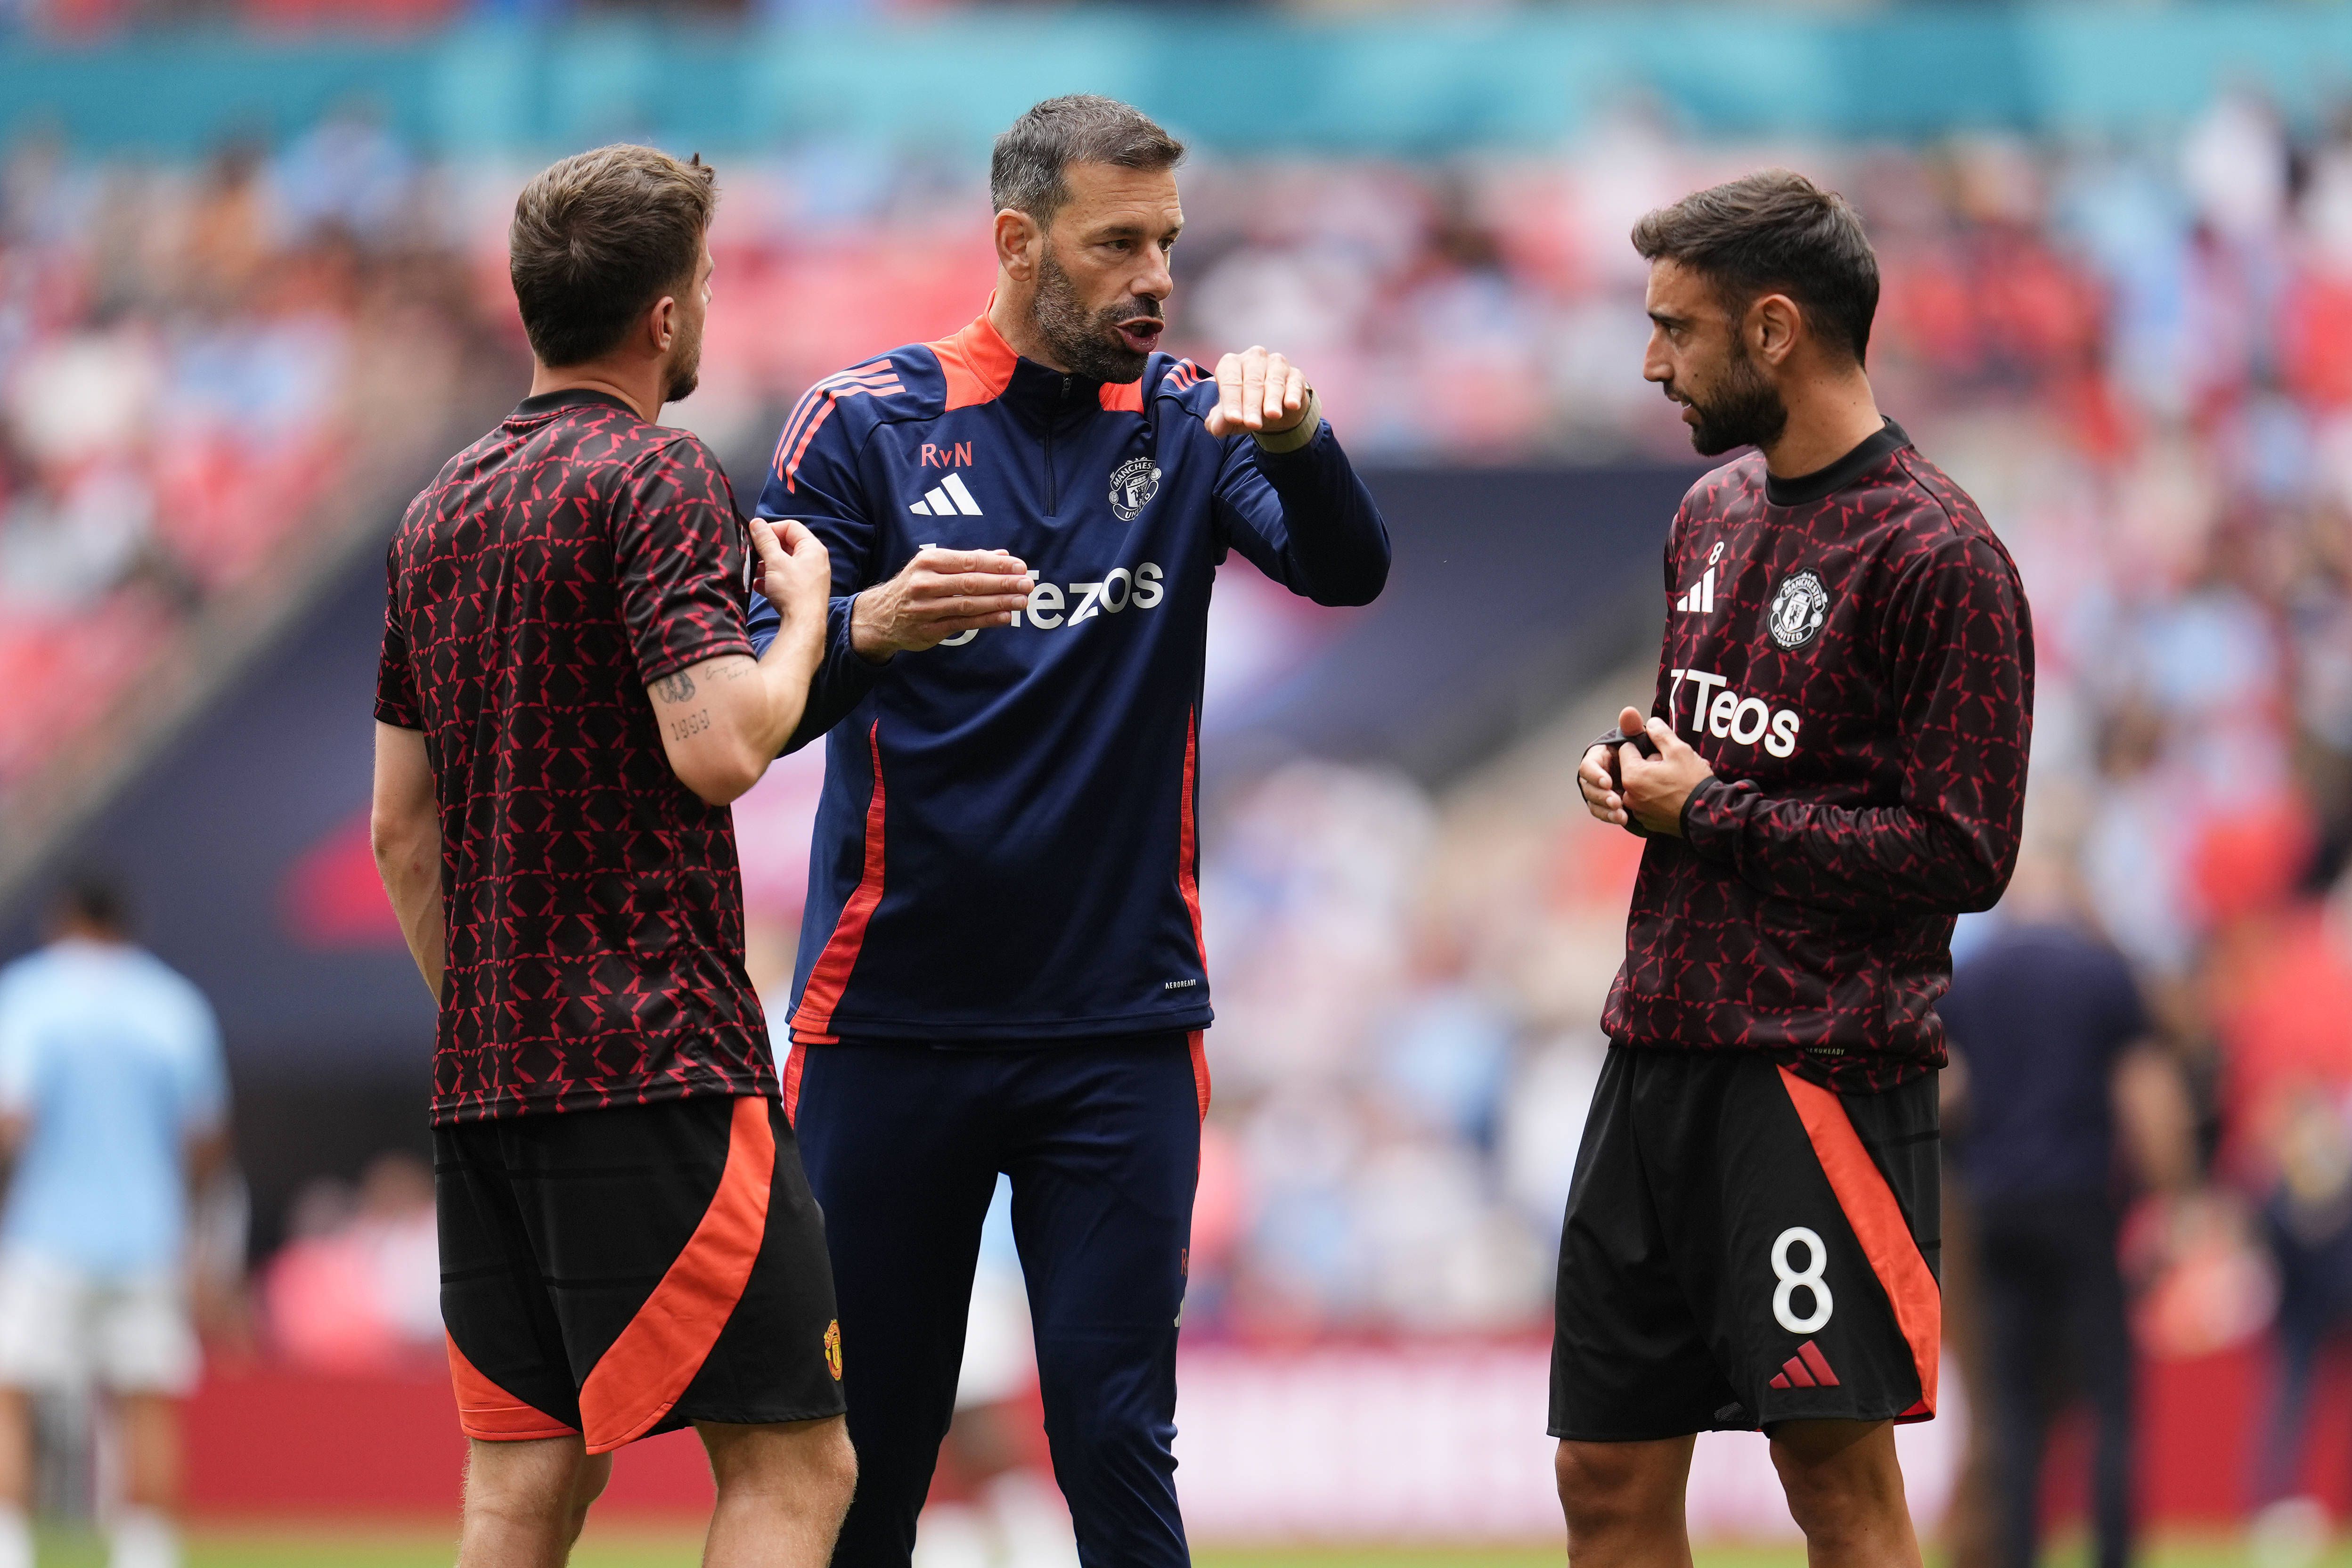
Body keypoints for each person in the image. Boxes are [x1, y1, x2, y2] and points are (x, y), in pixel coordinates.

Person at [743, 94, 1390, 1568]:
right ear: (1018, 242)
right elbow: (753, 703)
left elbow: (1346, 570)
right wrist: (871, 623)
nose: (1154, 273)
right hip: (890, 1026)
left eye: (1166, 239)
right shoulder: (863, 424)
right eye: (1116, 244)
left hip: (1118, 1029)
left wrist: (1304, 439)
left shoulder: (1193, 414)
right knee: (875, 1453)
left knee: (1113, 1436)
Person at [369, 143, 851, 1568]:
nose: (704, 309)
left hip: (490, 1084)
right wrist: (812, 616)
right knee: (791, 1467)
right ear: (661, 318)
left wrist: (489, 1022)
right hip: (662, 1067)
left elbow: (402, 828)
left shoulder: (437, 511)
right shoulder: (656, 478)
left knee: (522, 1494)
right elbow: (721, 746)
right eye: (701, 284)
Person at [1565, 170, 2034, 1568]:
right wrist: (1633, 769)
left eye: (1675, 329)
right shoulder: (1707, 513)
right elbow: (1707, 755)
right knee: (1602, 1476)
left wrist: (1709, 816)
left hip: (1818, 1067)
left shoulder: (1941, 554)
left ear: (1775, 330)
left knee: (1836, 1487)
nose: (1651, 363)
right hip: (1653, 1044)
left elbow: (1964, 852)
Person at [1939, 849, 2193, 1568]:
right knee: (2110, 1400)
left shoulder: (1974, 976)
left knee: (2012, 1406)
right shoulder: (2100, 969)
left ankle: (2017, 1554)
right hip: (2079, 1201)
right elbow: (2147, 1096)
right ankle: (2112, 1553)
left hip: (1994, 1207)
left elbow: (1947, 1092)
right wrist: (2176, 1202)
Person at [0, 874, 231, 1568]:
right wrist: (200, 1239)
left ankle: (10, 1548)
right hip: (148, 1241)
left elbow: (13, 1121)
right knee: (145, 1402)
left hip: (46, 1236)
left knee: (13, 1395)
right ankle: (147, 1555)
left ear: (62, 919)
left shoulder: (30, 995)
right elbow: (205, 1142)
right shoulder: (172, 1004)